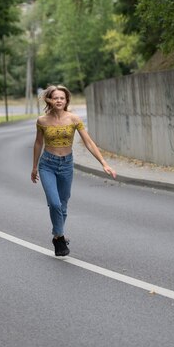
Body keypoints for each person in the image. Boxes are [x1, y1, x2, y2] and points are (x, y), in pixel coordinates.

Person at [31, 85, 116, 256]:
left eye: (62, 98)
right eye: (56, 98)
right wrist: (34, 167)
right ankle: (60, 236)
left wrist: (103, 163)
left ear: (66, 100)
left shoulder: (73, 119)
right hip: (47, 164)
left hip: (67, 165)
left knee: (62, 205)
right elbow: (38, 143)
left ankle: (57, 236)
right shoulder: (42, 121)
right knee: (54, 203)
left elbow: (89, 142)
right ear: (50, 100)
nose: (59, 101)